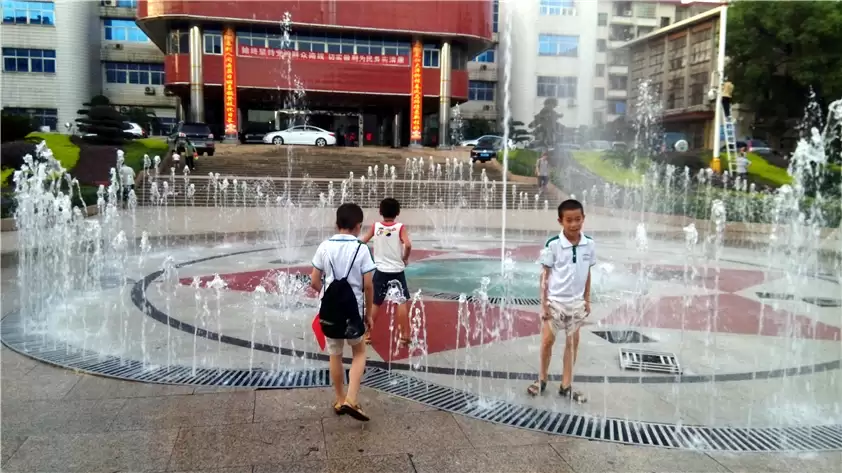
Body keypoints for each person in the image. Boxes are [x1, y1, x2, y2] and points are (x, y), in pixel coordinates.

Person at [310, 203, 375, 422]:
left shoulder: (324, 246)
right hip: (353, 312)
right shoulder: (362, 248)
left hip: (329, 312)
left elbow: (314, 281)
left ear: (337, 224)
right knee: (359, 352)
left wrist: (328, 296)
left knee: (335, 354)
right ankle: (351, 398)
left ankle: (339, 400)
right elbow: (368, 285)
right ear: (359, 226)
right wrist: (368, 314)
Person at [527, 199, 595, 403]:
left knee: (572, 344)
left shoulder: (589, 244)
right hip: (555, 302)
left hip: (576, 303)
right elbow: (544, 275)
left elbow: (588, 273)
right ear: (560, 221)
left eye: (578, 219)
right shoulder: (553, 244)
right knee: (548, 341)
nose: (574, 224)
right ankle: (542, 379)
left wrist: (587, 299)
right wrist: (544, 303)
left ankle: (566, 384)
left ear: (583, 219)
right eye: (569, 220)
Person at [360, 198, 412, 347]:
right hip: (397, 270)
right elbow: (407, 244)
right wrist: (405, 257)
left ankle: (367, 334)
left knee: (375, 302)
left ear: (380, 211)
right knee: (401, 301)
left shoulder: (376, 226)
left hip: (381, 270)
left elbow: (363, 241)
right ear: (398, 212)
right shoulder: (400, 227)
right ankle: (404, 336)